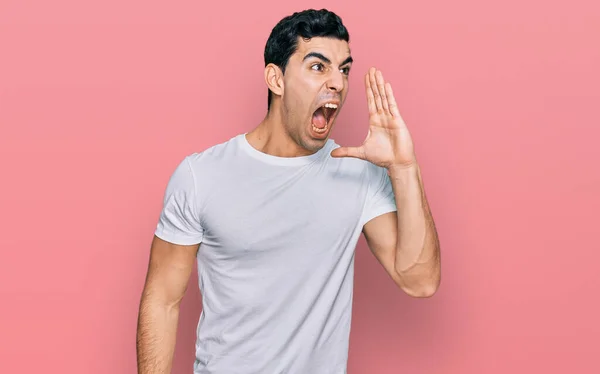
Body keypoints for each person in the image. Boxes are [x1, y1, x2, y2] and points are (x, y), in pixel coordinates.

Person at [136, 8, 441, 374]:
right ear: (275, 79)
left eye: (343, 69)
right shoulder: (201, 175)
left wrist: (404, 168)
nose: (338, 83)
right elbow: (162, 300)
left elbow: (420, 280)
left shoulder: (357, 174)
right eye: (318, 67)